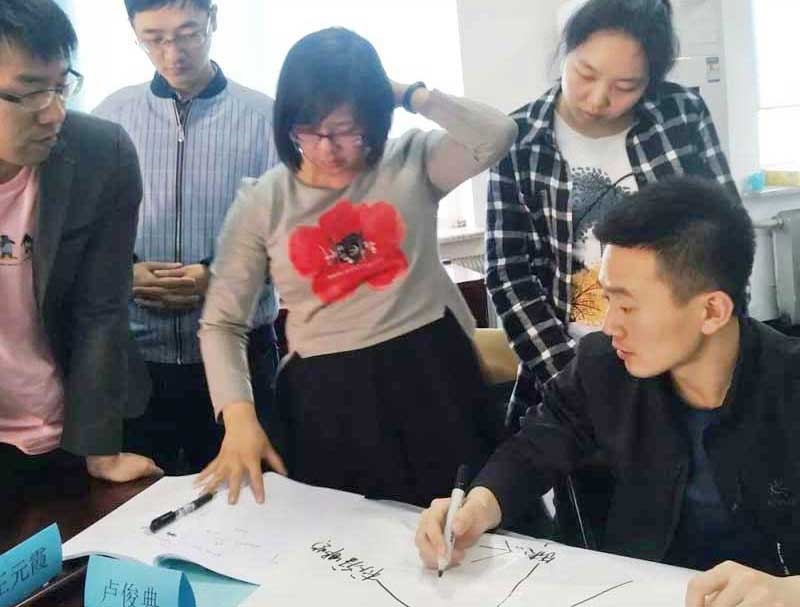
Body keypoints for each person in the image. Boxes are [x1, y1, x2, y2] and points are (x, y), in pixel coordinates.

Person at [416, 177, 800, 604]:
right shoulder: (602, 365)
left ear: (712, 311)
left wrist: (788, 591)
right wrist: (476, 507)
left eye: (628, 306)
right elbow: (532, 449)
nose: (609, 325)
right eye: (607, 301)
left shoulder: (788, 384)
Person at [197, 27, 516, 507]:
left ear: (373, 116)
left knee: (465, 521)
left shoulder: (411, 161)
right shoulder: (264, 200)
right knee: (349, 536)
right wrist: (238, 417)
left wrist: (408, 94)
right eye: (308, 130)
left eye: (347, 130)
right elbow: (222, 323)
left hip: (433, 372)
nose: (327, 149)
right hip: (328, 394)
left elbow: (497, 134)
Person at [486, 0, 738, 425]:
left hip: (680, 355)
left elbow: (726, 233)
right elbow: (509, 272)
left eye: (626, 86)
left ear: (650, 83)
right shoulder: (520, 139)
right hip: (575, 357)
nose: (598, 98)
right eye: (585, 74)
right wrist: (573, 379)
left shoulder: (680, 114)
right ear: (567, 50)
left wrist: (716, 345)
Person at [93, 0, 280, 475]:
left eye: (188, 33)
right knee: (139, 505)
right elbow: (80, 236)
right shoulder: (109, 120)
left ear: (213, 18)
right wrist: (123, 275)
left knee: (250, 501)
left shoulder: (267, 119)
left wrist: (218, 278)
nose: (173, 54)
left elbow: (293, 239)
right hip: (136, 365)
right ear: (133, 30)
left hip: (242, 359)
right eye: (154, 39)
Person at [0, 0, 160, 492]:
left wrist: (99, 448)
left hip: (76, 423)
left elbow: (101, 308)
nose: (53, 112)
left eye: (61, 85)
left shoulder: (101, 154)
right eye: (31, 92)